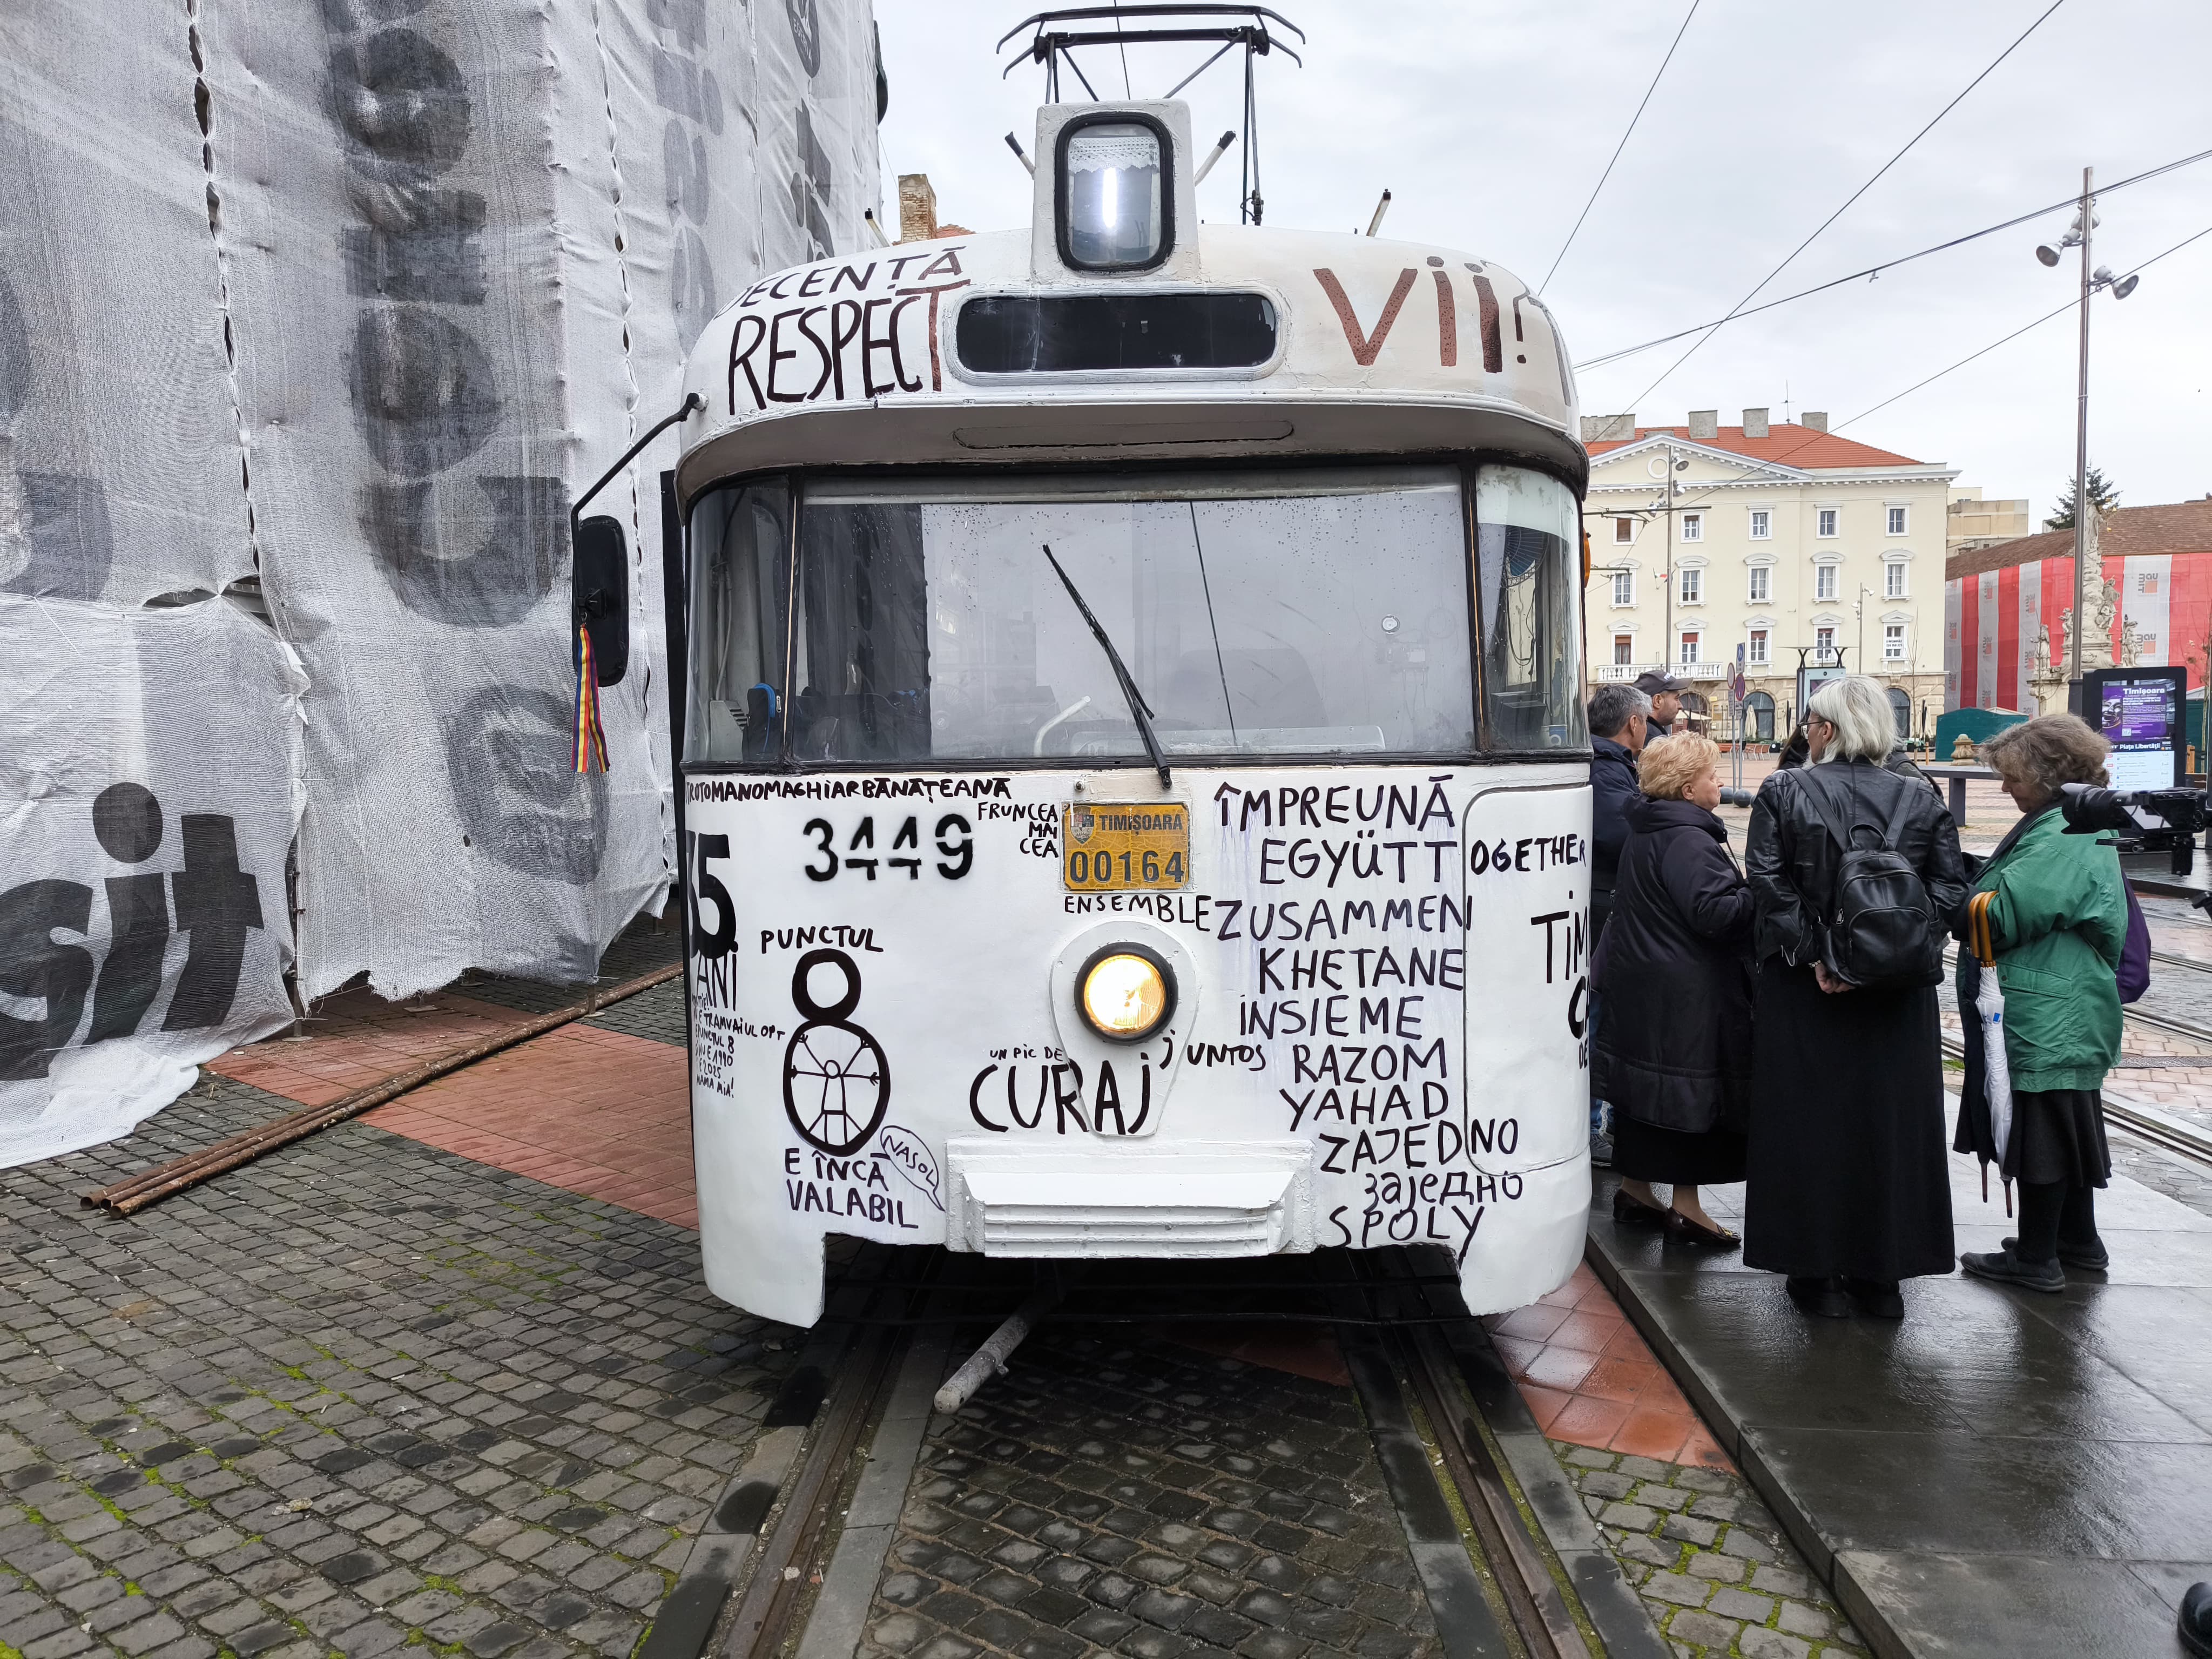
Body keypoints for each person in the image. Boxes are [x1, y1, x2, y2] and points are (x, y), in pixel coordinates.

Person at [1742, 674, 1968, 1319]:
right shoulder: (1921, 796)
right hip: (1895, 995)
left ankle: (1813, 1271)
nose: (1807, 733)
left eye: (1811, 723)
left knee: (1808, 1128)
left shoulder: (1784, 789)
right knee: (1891, 1129)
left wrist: (1819, 954)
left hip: (1808, 989)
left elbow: (1765, 879)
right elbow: (1949, 891)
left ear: (1828, 730)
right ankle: (1884, 1273)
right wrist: (1890, 955)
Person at [1954, 715, 2128, 1292]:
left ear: (2046, 774)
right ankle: (2078, 1242)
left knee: (2043, 1133)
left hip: (2046, 1007)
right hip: (2061, 1002)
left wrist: (1963, 894)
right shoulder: (2067, 823)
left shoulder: (2062, 833)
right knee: (2064, 1122)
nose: (2004, 788)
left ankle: (2036, 1258)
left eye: (2011, 777)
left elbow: (1998, 916)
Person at [1593, 732, 1755, 1245]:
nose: (1720, 783)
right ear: (1688, 789)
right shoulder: (1689, 838)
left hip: (1645, 983)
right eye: (1712, 775)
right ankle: (1687, 1209)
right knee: (1690, 1097)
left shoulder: (1649, 828)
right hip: (1687, 994)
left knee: (1644, 1094)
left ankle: (1636, 1190)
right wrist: (1756, 893)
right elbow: (1714, 914)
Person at [1585, 684, 1650, 1169]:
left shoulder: (1609, 766)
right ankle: (1589, 1131)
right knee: (1597, 1020)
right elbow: (1619, 835)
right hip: (1603, 908)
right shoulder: (1608, 770)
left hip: (1600, 905)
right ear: (1633, 724)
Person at [1632, 670, 1684, 748]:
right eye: (1676, 699)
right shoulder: (1654, 742)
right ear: (1658, 701)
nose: (1681, 706)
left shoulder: (1633, 732)